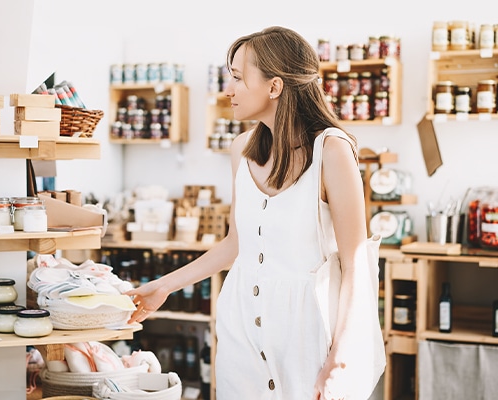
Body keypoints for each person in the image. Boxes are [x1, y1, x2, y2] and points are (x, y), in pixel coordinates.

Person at [126, 26, 383, 400]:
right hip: (242, 323)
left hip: (308, 330)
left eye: (236, 78)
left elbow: (357, 263)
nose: (227, 89)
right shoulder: (241, 149)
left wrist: (342, 355)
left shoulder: (331, 150)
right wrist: (163, 286)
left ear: (274, 87)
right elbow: (235, 246)